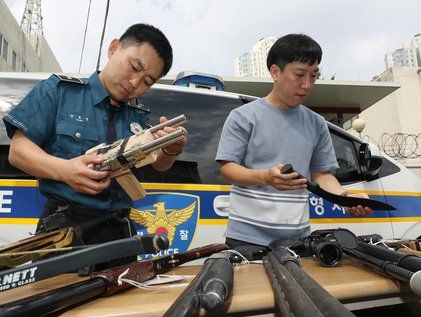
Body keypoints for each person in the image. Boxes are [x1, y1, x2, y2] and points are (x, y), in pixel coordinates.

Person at [3, 23, 188, 267]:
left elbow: (159, 165)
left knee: (121, 302)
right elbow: (18, 151)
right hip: (63, 230)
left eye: (146, 81)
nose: (134, 83)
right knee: (59, 303)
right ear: (113, 49)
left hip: (119, 233)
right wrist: (65, 170)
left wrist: (170, 149)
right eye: (134, 67)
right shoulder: (59, 91)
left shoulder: (138, 116)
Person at [215, 34, 372, 249]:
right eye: (299, 74)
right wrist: (265, 176)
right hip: (246, 239)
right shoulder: (243, 117)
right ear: (275, 72)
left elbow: (322, 175)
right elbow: (227, 169)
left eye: (314, 76)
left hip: (298, 238)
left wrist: (346, 198)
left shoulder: (316, 123)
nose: (307, 85)